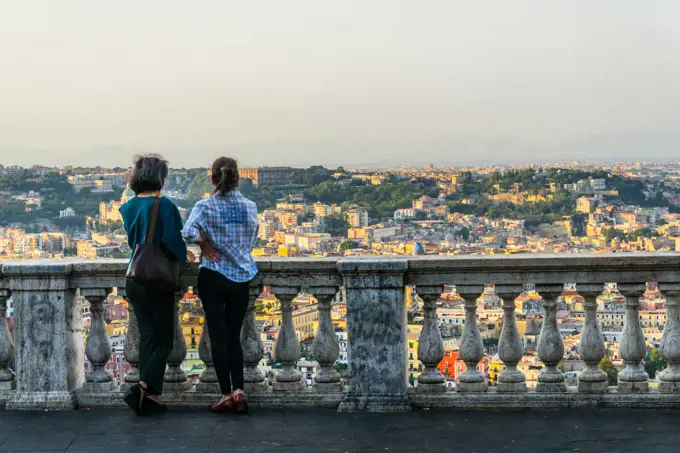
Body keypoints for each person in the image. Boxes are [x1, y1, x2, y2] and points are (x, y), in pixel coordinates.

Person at [183, 157, 259, 414]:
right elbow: (252, 239)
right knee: (234, 336)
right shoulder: (250, 207)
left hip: (213, 275)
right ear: (238, 178)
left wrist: (203, 245)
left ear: (213, 179)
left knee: (218, 336)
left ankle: (225, 393)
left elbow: (187, 232)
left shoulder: (204, 206)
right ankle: (239, 391)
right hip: (240, 276)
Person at [120, 154, 193, 415]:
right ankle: (141, 387)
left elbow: (134, 242)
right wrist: (186, 256)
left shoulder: (127, 207)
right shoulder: (166, 206)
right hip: (159, 279)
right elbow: (173, 242)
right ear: (159, 176)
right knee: (164, 339)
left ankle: (148, 397)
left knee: (148, 336)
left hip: (135, 277)